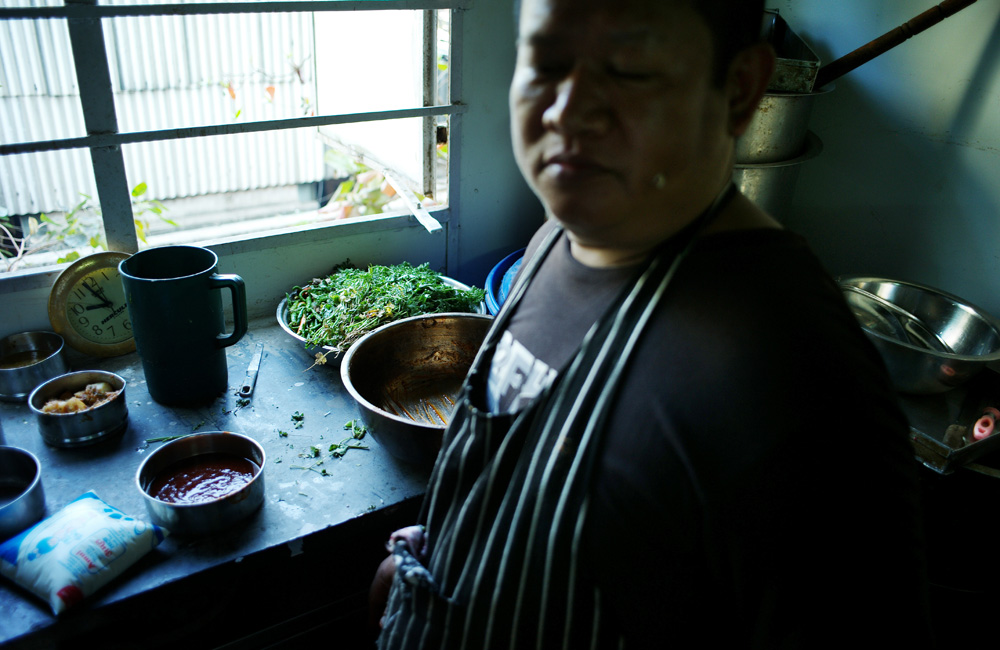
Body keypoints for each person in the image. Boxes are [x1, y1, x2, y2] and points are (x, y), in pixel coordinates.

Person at [371, 0, 934, 647]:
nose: (566, 111)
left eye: (630, 68)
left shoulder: (797, 381)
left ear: (741, 89)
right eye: (547, 61)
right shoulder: (556, 238)